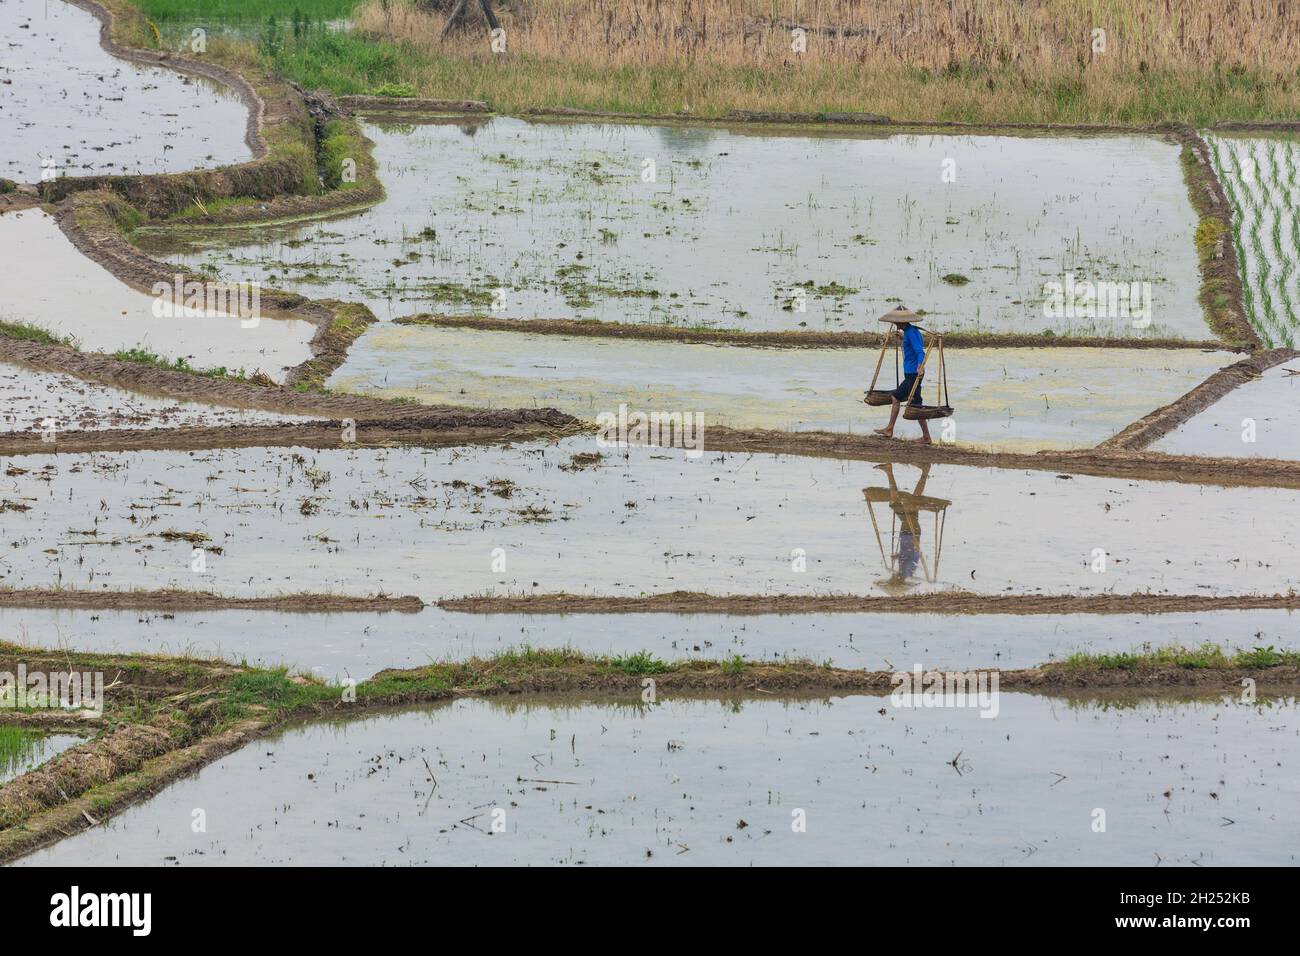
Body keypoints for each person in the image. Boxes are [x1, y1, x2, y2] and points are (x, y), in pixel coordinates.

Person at [874, 311, 931, 444]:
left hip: (913, 374)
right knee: (917, 405)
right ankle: (926, 437)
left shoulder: (911, 333)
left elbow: (919, 351)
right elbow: (912, 346)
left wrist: (920, 366)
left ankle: (889, 429)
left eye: (896, 321)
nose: (894, 323)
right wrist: (902, 338)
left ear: (902, 321)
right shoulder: (910, 332)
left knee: (896, 397)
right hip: (912, 373)